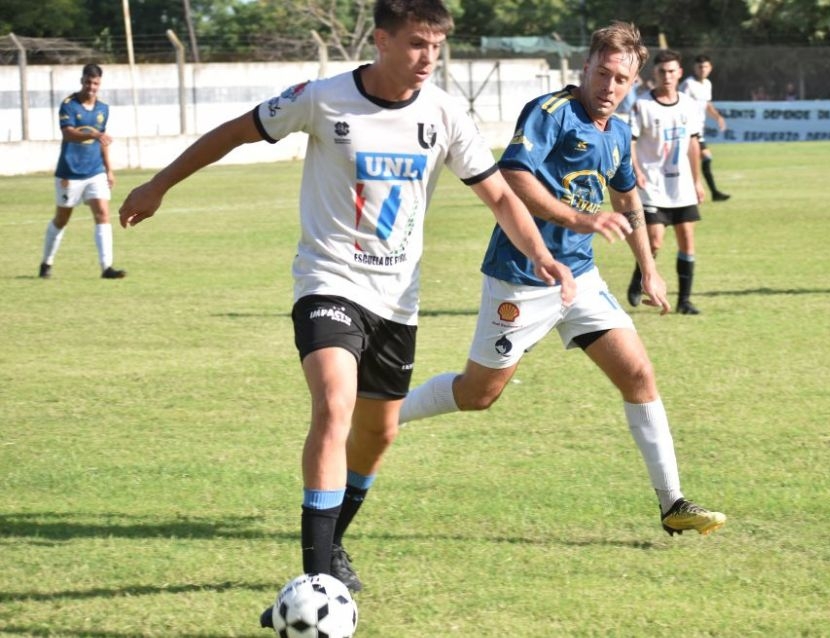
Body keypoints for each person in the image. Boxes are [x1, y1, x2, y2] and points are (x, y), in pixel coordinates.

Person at [116, 0, 574, 626]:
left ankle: (331, 545)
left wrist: (542, 255)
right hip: (328, 280)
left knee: (377, 433)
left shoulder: (445, 114)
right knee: (334, 404)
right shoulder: (322, 98)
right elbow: (234, 132)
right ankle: (317, 578)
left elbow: (497, 194)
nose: (428, 58)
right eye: (416, 44)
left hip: (398, 300)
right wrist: (159, 185)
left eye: (436, 47)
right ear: (381, 40)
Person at [398, 22, 726, 544]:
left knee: (639, 375)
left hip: (581, 278)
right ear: (586, 67)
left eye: (621, 79)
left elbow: (627, 198)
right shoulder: (551, 112)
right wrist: (579, 219)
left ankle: (673, 504)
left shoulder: (617, 131)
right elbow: (514, 176)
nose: (610, 87)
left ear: (634, 82)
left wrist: (648, 267)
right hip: (522, 277)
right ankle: (385, 415)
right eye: (603, 73)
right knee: (479, 393)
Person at [627, 49, 706, 316]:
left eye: (672, 71)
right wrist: (636, 170)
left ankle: (684, 301)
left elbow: (693, 144)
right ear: (655, 73)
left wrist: (697, 182)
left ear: (680, 73)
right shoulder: (642, 105)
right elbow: (631, 142)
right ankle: (639, 277)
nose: (667, 76)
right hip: (652, 185)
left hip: (681, 186)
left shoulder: (688, 105)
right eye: (662, 71)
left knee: (687, 241)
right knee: (655, 241)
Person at [39, 63, 125, 279]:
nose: (91, 87)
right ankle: (46, 263)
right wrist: (94, 134)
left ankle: (107, 267)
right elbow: (68, 134)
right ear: (82, 81)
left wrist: (109, 170)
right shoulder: (69, 105)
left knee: (103, 213)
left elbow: (103, 142)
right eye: (88, 82)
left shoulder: (103, 109)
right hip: (70, 173)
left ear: (99, 84)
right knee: (62, 218)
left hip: (95, 171)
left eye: (95, 83)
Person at [678, 54, 730, 202]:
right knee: (704, 157)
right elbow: (679, 104)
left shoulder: (707, 84)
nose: (702, 69)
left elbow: (707, 104)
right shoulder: (688, 84)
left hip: (697, 129)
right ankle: (710, 192)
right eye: (700, 67)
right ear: (694, 68)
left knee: (694, 160)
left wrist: (718, 117)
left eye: (705, 66)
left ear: (710, 68)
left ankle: (708, 192)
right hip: (688, 129)